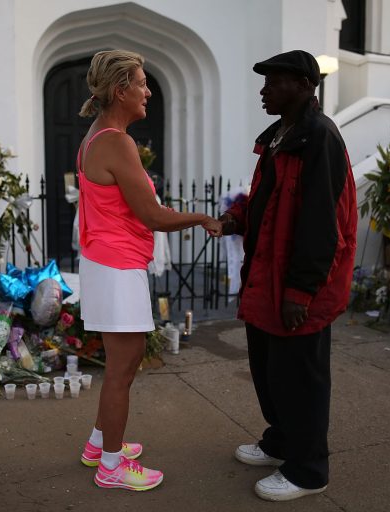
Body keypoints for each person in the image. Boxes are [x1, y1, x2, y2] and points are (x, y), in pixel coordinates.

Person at [75, 49, 221, 491]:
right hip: (117, 266)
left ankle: (99, 445)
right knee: (123, 366)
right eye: (141, 83)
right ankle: (112, 467)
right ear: (120, 90)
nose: (148, 91)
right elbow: (152, 215)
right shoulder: (116, 142)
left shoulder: (95, 136)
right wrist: (201, 218)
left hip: (106, 262)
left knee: (123, 361)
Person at [216, 50, 357, 501]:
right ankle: (280, 442)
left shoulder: (320, 137)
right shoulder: (279, 135)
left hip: (299, 286)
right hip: (266, 277)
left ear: (302, 85)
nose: (263, 91)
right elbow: (266, 198)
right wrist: (236, 217)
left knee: (302, 379)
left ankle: (309, 470)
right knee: (270, 371)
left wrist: (301, 289)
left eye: (272, 82)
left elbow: (323, 222)